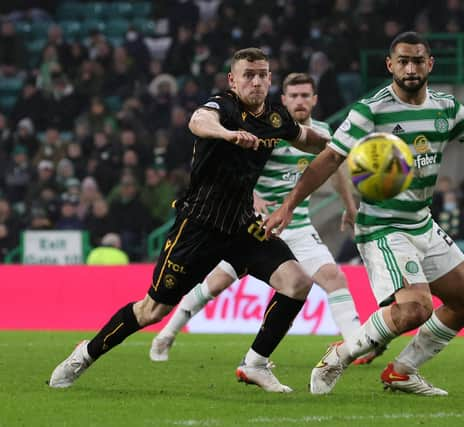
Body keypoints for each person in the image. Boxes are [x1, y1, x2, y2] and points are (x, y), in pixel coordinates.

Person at [265, 32, 464, 396]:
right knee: (415, 309)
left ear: (430, 64)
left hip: (422, 222)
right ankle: (340, 354)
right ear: (390, 65)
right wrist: (289, 205)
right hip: (381, 226)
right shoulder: (370, 111)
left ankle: (403, 370)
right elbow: (329, 159)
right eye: (403, 61)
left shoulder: (446, 108)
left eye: (418, 61)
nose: (410, 68)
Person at [49, 48, 329, 393]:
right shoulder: (222, 106)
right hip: (197, 226)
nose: (256, 81)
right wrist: (227, 134)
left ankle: (255, 364)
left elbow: (308, 140)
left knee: (298, 283)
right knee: (152, 311)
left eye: (262, 74)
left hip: (241, 224)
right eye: (248, 74)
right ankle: (85, 355)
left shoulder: (275, 117)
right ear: (233, 79)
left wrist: (343, 145)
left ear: (270, 78)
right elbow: (198, 120)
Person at [149, 72, 383, 366]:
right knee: (216, 283)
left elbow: (335, 170)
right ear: (284, 99)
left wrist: (350, 206)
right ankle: (167, 333)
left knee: (334, 278)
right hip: (255, 224)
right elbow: (241, 168)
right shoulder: (272, 129)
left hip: (297, 226)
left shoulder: (321, 133)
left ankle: (354, 345)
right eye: (294, 96)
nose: (300, 101)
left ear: (314, 99)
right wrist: (255, 200)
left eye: (305, 95)